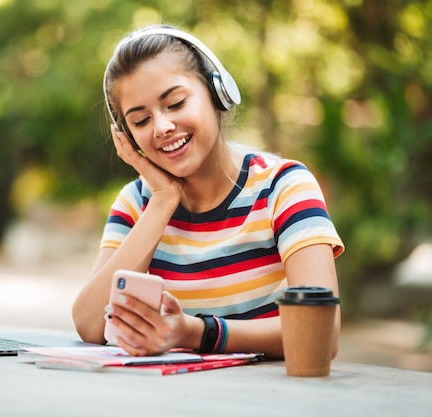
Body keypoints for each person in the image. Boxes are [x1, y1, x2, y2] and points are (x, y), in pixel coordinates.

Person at [71, 24, 344, 359]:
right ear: (127, 138)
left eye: (175, 103)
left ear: (218, 94)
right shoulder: (136, 203)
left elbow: (320, 332)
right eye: (140, 121)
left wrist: (197, 332)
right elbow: (89, 325)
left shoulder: (284, 187)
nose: (162, 127)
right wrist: (162, 202)